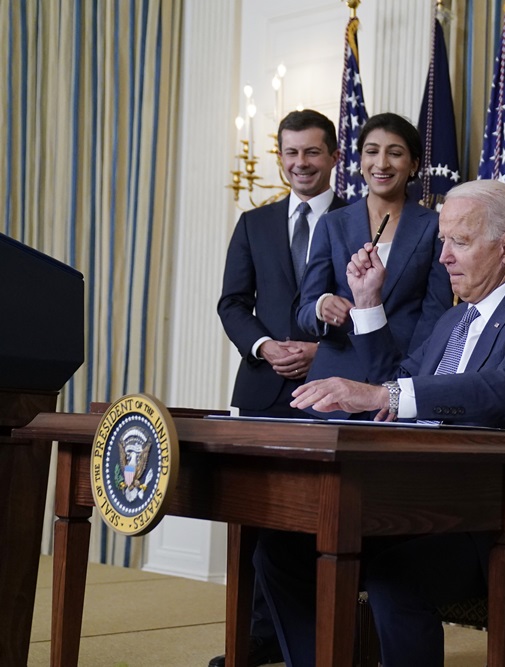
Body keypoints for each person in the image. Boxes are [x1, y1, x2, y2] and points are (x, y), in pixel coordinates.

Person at [254, 180, 505, 667]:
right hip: (417, 509)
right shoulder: (453, 322)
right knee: (280, 551)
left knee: (395, 575)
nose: (444, 256)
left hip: (496, 530)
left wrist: (382, 392)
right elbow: (398, 388)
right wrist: (367, 302)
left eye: (459, 242)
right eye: (443, 241)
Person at [214, 108, 347, 667]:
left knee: (315, 521)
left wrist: (318, 352)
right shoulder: (254, 223)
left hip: (331, 390)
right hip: (262, 390)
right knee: (255, 518)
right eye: (290, 153)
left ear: (334, 157)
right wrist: (266, 347)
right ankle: (255, 639)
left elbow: (377, 311)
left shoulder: (359, 219)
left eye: (312, 152)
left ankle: (317, 636)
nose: (300, 163)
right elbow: (232, 304)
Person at [296, 112, 452, 417]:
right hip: (333, 388)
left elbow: (435, 315)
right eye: (372, 152)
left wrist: (404, 388)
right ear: (360, 161)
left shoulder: (435, 227)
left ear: (414, 164)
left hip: (398, 383)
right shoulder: (332, 224)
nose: (381, 163)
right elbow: (305, 310)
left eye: (395, 153)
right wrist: (322, 306)